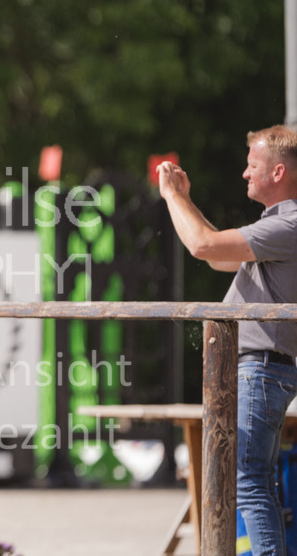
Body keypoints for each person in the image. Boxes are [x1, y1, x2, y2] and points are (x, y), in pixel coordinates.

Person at [158, 125, 297, 554]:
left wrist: (172, 197)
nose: (243, 173)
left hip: (262, 365)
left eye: (252, 165)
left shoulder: (289, 223)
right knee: (251, 479)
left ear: (278, 173)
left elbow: (203, 246)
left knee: (249, 481)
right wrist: (185, 200)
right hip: (262, 365)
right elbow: (219, 255)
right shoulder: (278, 226)